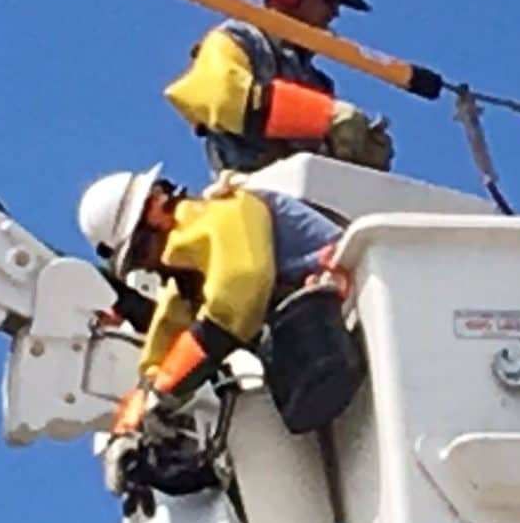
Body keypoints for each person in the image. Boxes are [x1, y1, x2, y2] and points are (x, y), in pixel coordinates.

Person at [77, 165, 347, 505]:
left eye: (141, 251)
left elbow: (237, 298)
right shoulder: (188, 281)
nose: (148, 266)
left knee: (261, 371)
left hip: (348, 304)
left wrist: (164, 392)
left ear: (157, 206)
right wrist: (129, 430)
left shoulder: (227, 213)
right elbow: (161, 353)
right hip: (321, 333)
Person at [162, 0, 394, 174]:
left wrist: (357, 151)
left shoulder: (316, 82)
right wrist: (326, 118)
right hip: (250, 195)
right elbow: (220, 96)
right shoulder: (238, 40)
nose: (335, 12)